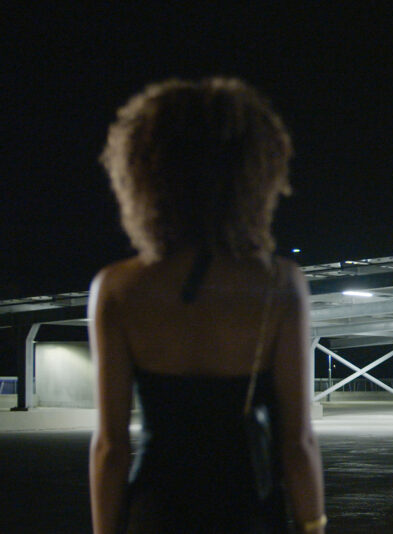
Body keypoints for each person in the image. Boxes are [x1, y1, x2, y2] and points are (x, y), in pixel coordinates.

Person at [89, 78, 325, 533]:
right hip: (249, 514)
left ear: (144, 173)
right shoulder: (280, 283)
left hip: (155, 515)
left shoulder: (117, 288)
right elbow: (298, 442)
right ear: (253, 173)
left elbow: (110, 448)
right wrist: (313, 526)